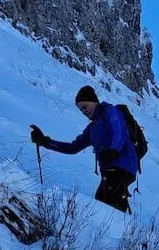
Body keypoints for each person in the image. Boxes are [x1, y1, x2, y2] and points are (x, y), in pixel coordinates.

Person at [29, 85, 138, 213]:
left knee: (105, 204)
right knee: (105, 203)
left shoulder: (110, 111)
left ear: (94, 102)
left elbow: (118, 131)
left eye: (85, 106)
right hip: (110, 169)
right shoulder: (92, 128)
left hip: (123, 164)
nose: (84, 111)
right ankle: (124, 230)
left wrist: (113, 150)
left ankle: (116, 229)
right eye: (81, 109)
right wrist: (44, 142)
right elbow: (73, 147)